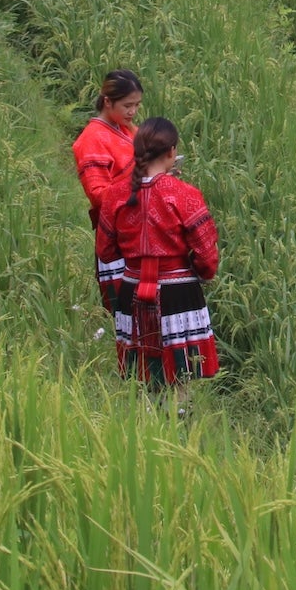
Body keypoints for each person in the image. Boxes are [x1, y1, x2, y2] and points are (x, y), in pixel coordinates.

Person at [105, 116, 220, 402]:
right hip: (178, 293)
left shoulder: (115, 195)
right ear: (171, 152)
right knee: (181, 377)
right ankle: (178, 429)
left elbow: (106, 252)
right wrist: (198, 271)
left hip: (131, 289)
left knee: (142, 376)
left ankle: (142, 426)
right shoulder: (184, 195)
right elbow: (207, 256)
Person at [72, 70, 142, 369]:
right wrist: (138, 176)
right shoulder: (92, 140)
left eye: (137, 105)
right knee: (130, 317)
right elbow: (99, 195)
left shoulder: (129, 132)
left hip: (140, 231)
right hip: (116, 238)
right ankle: (133, 377)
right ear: (107, 101)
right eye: (127, 105)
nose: (133, 111)